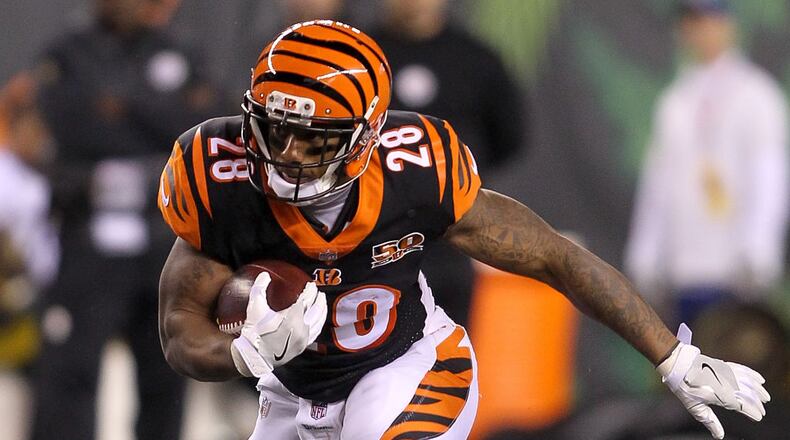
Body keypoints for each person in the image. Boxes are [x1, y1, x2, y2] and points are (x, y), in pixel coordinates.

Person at [158, 20, 769, 439]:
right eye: (273, 129)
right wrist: (242, 352)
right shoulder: (217, 175)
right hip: (294, 392)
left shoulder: (416, 171)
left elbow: (555, 258)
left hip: (407, 367)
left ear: (368, 137)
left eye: (315, 138)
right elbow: (180, 327)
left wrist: (672, 355)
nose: (287, 153)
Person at [29, 0, 226, 438]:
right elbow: (64, 127)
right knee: (69, 369)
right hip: (87, 237)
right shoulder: (67, 52)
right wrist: (150, 120)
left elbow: (202, 129)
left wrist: (124, 106)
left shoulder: (182, 52)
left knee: (166, 370)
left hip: (163, 240)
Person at [625, 0, 789, 326]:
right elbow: (658, 185)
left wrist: (759, 250)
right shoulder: (675, 101)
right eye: (691, 21)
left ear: (728, 23)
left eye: (706, 19)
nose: (698, 30)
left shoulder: (757, 96)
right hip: (684, 273)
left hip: (735, 276)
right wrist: (646, 252)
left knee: (734, 370)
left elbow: (769, 179)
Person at [370, 0, 527, 327]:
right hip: (370, 246)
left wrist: (457, 179)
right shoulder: (362, 60)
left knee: (447, 358)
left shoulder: (477, 60)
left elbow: (508, 136)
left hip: (450, 242)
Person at [0, 71, 59, 440]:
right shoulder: (5, 175)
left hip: (42, 300)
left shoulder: (46, 173)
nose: (40, 136)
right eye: (34, 125)